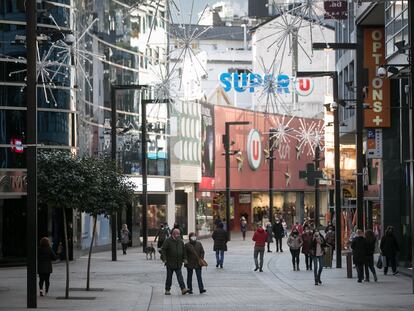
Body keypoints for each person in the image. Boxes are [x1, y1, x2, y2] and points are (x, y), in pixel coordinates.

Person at [160, 229, 189, 295]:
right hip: (170, 263)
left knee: (180, 277)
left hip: (178, 263)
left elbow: (184, 250)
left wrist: (185, 259)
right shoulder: (168, 241)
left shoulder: (180, 241)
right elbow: (163, 250)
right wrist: (164, 259)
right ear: (173, 234)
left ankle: (183, 289)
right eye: (177, 234)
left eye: (179, 234)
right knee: (169, 277)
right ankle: (167, 290)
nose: (178, 235)